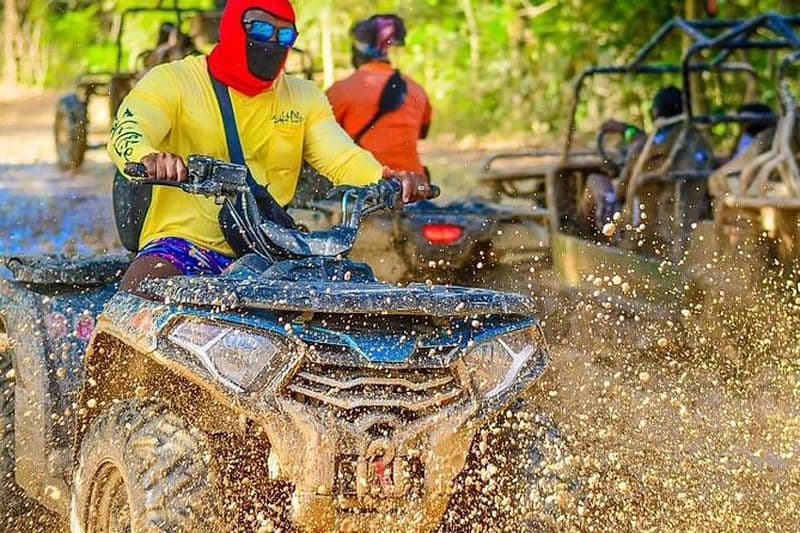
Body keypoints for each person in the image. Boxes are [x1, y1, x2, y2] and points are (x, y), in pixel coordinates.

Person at [107, 0, 431, 293]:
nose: (272, 43)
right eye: (260, 29)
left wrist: (390, 178)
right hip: (182, 246)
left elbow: (341, 157)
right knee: (135, 303)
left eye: (285, 36)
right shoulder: (174, 80)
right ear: (232, 26)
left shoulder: (304, 96)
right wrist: (148, 157)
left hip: (268, 251)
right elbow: (128, 132)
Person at [326, 14, 432, 177]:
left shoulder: (341, 90)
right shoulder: (416, 89)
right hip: (415, 186)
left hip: (368, 188)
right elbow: (423, 132)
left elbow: (321, 138)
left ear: (356, 52)